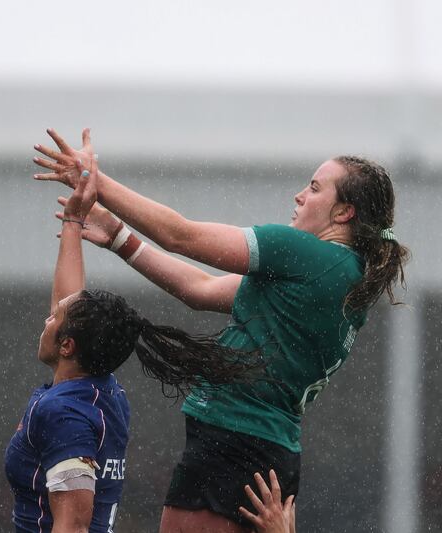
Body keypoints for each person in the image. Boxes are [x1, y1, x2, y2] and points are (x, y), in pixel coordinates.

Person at [33, 128, 410, 533]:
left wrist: (94, 180)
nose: (299, 195)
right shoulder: (339, 275)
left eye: (315, 188)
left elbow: (180, 235)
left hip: (235, 441)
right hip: (257, 448)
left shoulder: (307, 256)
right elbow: (200, 290)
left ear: (344, 213)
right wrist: (120, 238)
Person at [5, 157, 266, 533]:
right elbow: (68, 304)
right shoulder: (100, 391)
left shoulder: (66, 414)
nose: (46, 320)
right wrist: (73, 224)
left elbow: (73, 528)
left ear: (67, 346)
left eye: (53, 321)